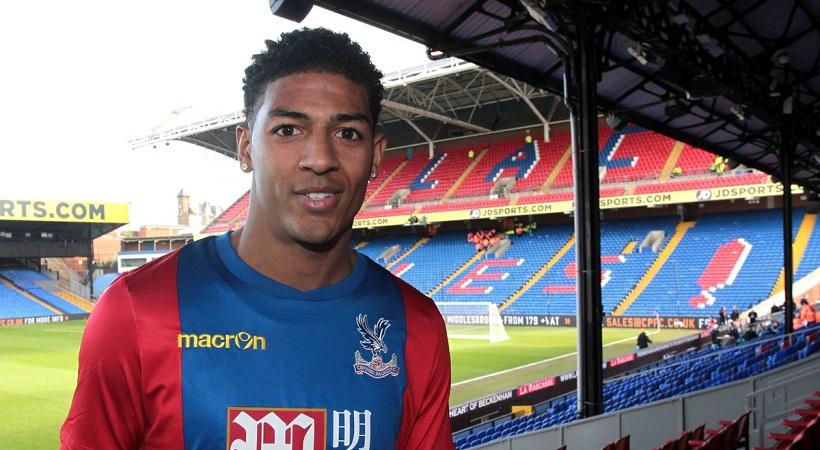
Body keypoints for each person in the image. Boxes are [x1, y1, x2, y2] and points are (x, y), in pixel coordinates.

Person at [61, 28, 454, 450]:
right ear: (246, 148)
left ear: (375, 155)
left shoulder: (417, 326)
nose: (320, 159)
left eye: (347, 134)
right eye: (288, 130)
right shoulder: (137, 310)